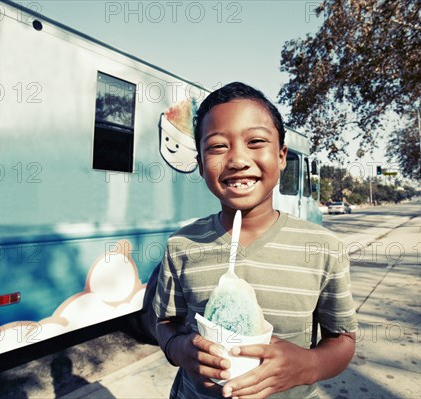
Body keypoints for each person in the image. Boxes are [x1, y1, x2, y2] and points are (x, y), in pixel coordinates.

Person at [153, 82, 358, 399]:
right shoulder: (182, 245)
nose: (237, 160)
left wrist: (307, 364)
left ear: (281, 156)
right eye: (217, 146)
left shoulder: (323, 248)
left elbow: (343, 339)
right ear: (200, 163)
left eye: (256, 142)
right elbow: (165, 323)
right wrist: (181, 349)